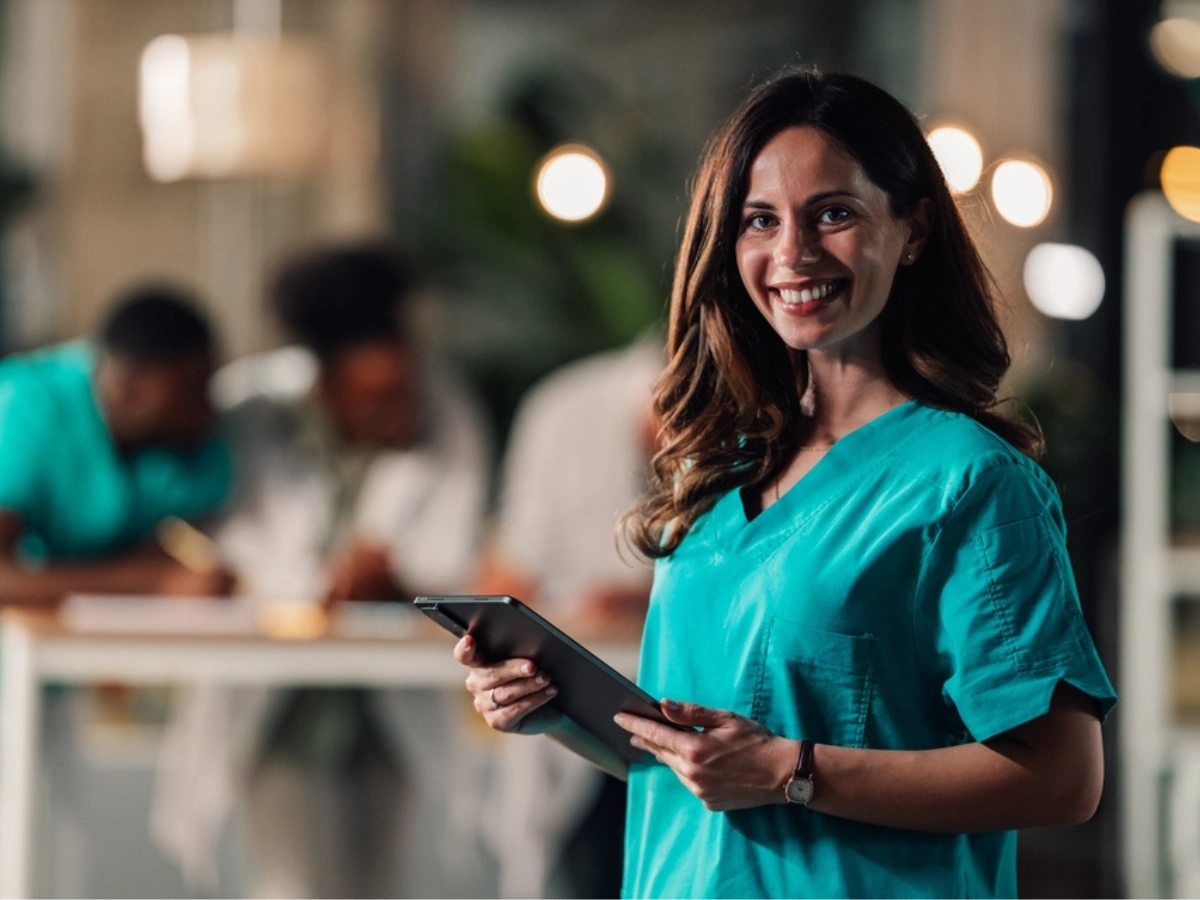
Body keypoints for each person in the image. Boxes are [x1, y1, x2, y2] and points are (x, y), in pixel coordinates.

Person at [451, 67, 1117, 899]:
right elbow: (705, 774)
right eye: (759, 220)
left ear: (911, 229)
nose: (792, 253)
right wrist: (559, 713)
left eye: (833, 213)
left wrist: (789, 772)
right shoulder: (720, 473)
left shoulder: (972, 484)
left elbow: (1063, 780)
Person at [153, 242, 491, 898]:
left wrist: (398, 584)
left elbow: (457, 552)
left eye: (401, 392)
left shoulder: (449, 415)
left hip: (389, 709)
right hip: (281, 709)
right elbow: (229, 550)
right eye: (370, 398)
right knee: (295, 886)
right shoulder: (251, 414)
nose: (394, 413)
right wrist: (321, 586)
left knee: (380, 884)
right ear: (323, 383)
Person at [472, 336, 661, 898]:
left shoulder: (769, 411)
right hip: (583, 694)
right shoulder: (565, 411)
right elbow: (512, 565)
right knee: (588, 860)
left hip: (690, 702)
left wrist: (645, 596)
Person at [0, 285, 232, 604]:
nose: (209, 406)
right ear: (129, 390)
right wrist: (148, 583)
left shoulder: (194, 448)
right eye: (193, 388)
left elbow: (175, 553)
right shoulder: (24, 406)